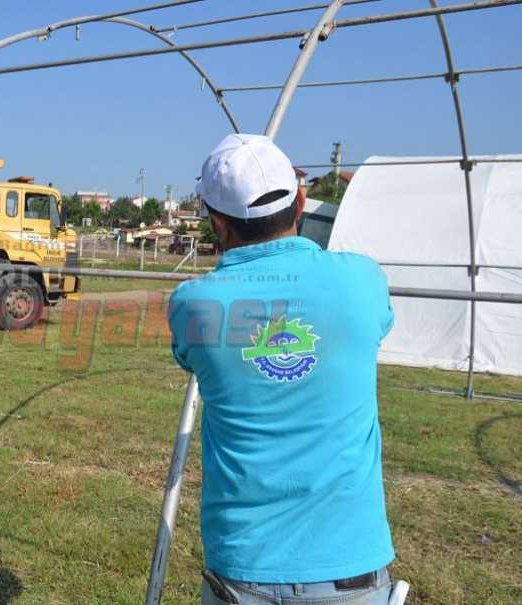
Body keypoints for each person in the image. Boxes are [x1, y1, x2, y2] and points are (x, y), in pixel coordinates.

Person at [167, 134, 397, 604]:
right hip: (351, 573)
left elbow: (190, 354)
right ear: (302, 201)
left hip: (243, 572)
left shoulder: (195, 304)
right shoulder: (362, 280)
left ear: (217, 224)